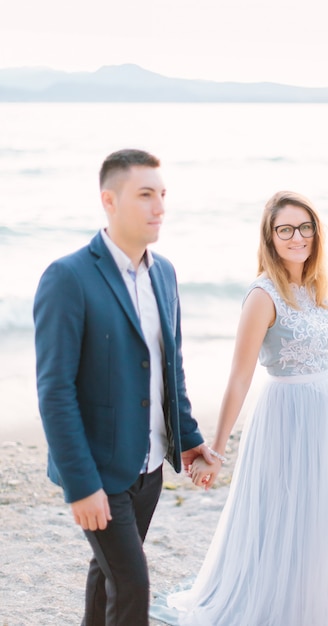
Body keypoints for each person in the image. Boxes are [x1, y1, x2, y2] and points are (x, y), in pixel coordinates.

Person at [168, 191, 328, 625]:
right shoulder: (262, 295)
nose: (297, 237)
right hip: (286, 414)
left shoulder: (318, 287)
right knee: (283, 512)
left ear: (316, 233)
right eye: (286, 229)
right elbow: (239, 378)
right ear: (271, 238)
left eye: (305, 227)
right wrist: (216, 451)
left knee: (322, 516)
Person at [33, 148, 213, 626]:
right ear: (109, 201)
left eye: (162, 195)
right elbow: (55, 391)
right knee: (133, 585)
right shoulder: (68, 277)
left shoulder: (166, 274)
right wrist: (81, 484)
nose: (159, 208)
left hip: (150, 467)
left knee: (108, 572)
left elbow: (169, 368)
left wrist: (190, 440)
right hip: (99, 471)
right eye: (145, 195)